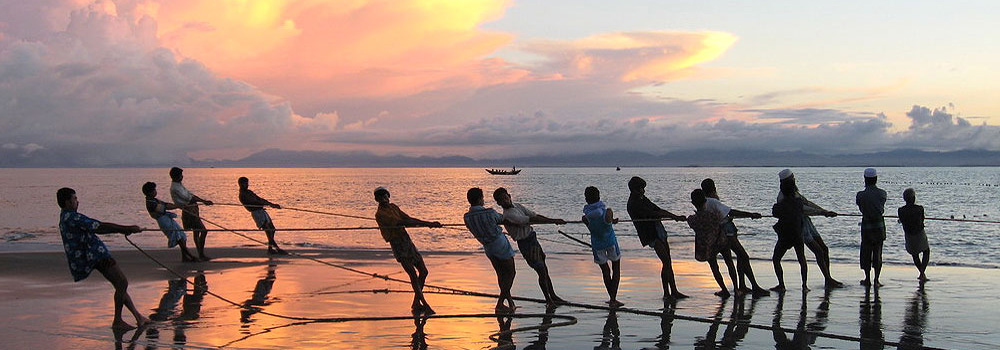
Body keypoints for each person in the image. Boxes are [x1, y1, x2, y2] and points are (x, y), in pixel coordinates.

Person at [56, 187, 149, 330]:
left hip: (91, 255)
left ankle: (138, 317)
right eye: (74, 199)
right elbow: (99, 227)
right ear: (67, 202)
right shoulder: (73, 217)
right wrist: (126, 228)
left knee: (119, 285)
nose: (77, 201)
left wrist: (125, 229)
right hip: (95, 255)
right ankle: (118, 320)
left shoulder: (65, 217)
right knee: (122, 282)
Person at [374, 187, 442, 314]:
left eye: (385, 196)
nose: (384, 199)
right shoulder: (380, 214)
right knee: (412, 274)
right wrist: (427, 224)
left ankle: (416, 302)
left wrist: (428, 223)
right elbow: (402, 222)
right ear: (377, 200)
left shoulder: (394, 207)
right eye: (381, 198)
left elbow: (408, 219)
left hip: (406, 241)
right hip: (397, 244)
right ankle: (424, 304)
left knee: (423, 271)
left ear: (388, 196)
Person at [493, 187, 566, 305]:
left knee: (544, 269)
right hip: (525, 243)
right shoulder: (508, 215)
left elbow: (534, 215)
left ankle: (552, 295)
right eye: (502, 200)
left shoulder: (517, 206)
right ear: (499, 203)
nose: (505, 201)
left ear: (509, 196)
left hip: (532, 239)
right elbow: (531, 219)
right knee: (541, 270)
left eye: (506, 197)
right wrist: (553, 220)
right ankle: (549, 300)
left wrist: (552, 220)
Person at [701, 178, 769, 296]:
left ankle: (740, 286)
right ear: (713, 188)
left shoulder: (704, 203)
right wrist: (750, 214)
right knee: (743, 256)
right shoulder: (713, 201)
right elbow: (731, 212)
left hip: (714, 235)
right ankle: (754, 286)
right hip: (727, 232)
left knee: (735, 258)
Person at [777, 169, 843, 288]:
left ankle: (828, 278)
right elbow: (804, 209)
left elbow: (808, 204)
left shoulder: (795, 193)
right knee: (818, 251)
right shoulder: (783, 197)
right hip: (800, 226)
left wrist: (824, 211)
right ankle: (826, 279)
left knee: (824, 249)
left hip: (807, 222)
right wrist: (823, 213)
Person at [626, 176, 688, 300]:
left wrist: (674, 216)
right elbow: (654, 213)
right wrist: (674, 217)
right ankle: (667, 293)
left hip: (657, 228)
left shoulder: (642, 199)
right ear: (634, 190)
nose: (643, 191)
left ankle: (673, 290)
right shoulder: (634, 203)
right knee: (665, 261)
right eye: (640, 189)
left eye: (643, 188)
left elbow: (657, 209)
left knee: (668, 261)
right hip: (650, 234)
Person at [463, 187, 517, 313]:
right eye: (482, 197)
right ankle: (500, 303)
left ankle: (509, 302)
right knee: (511, 273)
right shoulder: (489, 212)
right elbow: (503, 219)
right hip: (500, 245)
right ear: (480, 199)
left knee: (501, 275)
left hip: (488, 248)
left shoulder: (467, 217)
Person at [687, 189, 738, 297]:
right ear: (705, 201)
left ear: (693, 203)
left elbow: (691, 222)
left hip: (708, 245)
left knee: (715, 267)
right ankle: (736, 289)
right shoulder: (714, 214)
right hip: (721, 241)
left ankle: (724, 289)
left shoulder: (693, 219)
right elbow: (724, 219)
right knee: (729, 263)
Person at [581, 186, 624, 307]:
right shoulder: (608, 212)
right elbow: (608, 221)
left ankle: (612, 298)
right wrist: (613, 220)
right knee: (616, 269)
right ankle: (613, 299)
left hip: (597, 245)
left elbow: (593, 225)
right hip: (610, 243)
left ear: (586, 199)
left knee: (605, 272)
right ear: (599, 197)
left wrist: (611, 221)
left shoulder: (585, 217)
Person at [142, 182, 198, 262]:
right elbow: (165, 207)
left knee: (182, 236)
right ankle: (190, 256)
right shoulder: (150, 202)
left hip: (166, 218)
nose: (155, 191)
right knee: (178, 237)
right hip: (163, 220)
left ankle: (185, 257)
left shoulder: (153, 200)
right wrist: (178, 206)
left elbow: (165, 204)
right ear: (150, 192)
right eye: (154, 190)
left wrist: (178, 206)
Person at [771, 181, 809, 292]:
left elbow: (775, 213)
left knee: (776, 259)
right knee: (802, 259)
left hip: (785, 236)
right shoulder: (799, 202)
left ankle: (781, 284)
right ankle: (804, 285)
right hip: (797, 234)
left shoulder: (780, 206)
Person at [169, 167, 213, 261]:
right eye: (181, 175)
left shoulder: (179, 185)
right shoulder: (175, 188)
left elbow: (191, 195)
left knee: (196, 231)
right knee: (203, 230)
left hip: (192, 209)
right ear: (177, 176)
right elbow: (190, 199)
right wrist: (204, 201)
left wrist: (203, 201)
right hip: (189, 210)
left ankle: (201, 254)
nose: (182, 177)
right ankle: (201, 254)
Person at [238, 177, 287, 255]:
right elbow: (254, 202)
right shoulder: (242, 194)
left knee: (272, 229)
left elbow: (259, 199)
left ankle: (270, 249)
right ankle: (276, 249)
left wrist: (271, 204)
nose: (247, 185)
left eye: (247, 183)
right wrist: (270, 205)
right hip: (256, 213)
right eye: (245, 183)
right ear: (240, 184)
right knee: (268, 230)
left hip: (261, 211)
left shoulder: (249, 192)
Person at [856, 168, 887, 287]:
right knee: (878, 253)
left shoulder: (860, 195)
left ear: (865, 179)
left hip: (866, 226)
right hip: (879, 226)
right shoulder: (882, 193)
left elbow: (861, 208)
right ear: (876, 179)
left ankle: (867, 279)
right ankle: (876, 280)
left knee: (866, 253)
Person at [898, 188, 930, 281]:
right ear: (914, 198)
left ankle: (922, 273)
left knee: (915, 255)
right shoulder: (919, 208)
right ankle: (922, 273)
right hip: (919, 233)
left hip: (909, 234)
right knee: (926, 251)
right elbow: (922, 219)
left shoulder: (901, 210)